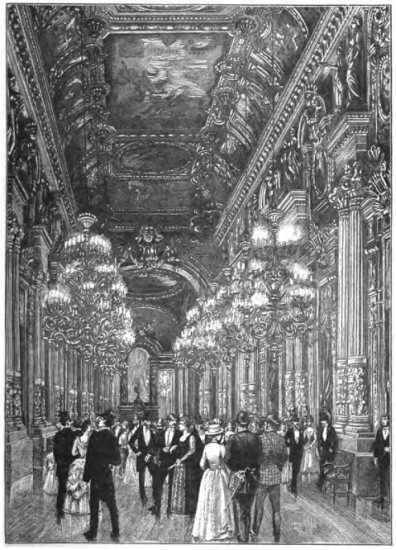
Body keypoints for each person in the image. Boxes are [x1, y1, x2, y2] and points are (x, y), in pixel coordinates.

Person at [192, 421, 234, 542]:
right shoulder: (221, 447)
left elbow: (201, 464)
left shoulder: (206, 447)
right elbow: (227, 461)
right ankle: (221, 528)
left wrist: (209, 468)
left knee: (208, 500)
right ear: (217, 436)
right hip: (220, 475)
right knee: (221, 500)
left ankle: (208, 529)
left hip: (209, 475)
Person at [83, 409, 121, 542]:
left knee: (99, 504)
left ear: (104, 420)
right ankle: (112, 531)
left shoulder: (100, 436)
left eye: (99, 418)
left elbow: (89, 458)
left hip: (99, 475)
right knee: (106, 504)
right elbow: (117, 459)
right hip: (102, 475)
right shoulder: (107, 436)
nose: (97, 420)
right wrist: (107, 462)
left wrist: (86, 477)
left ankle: (96, 532)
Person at [225, 411, 261, 543]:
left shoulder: (233, 438)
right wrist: (252, 469)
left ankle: (241, 536)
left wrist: (237, 470)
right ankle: (245, 535)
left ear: (237, 423)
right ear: (249, 423)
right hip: (252, 478)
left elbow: (227, 459)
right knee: (247, 508)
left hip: (237, 477)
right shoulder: (256, 438)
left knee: (238, 508)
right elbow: (260, 458)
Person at [251, 416, 288, 543]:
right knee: (276, 509)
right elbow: (285, 456)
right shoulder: (281, 440)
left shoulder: (260, 439)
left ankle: (255, 531)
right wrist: (279, 466)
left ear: (267, 424)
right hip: (276, 478)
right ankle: (277, 535)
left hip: (262, 478)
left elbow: (256, 458)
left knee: (259, 507)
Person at [168, 416, 203, 519]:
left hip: (189, 465)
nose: (179, 425)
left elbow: (192, 450)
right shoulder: (182, 435)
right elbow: (182, 446)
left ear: (187, 426)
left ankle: (190, 510)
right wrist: (176, 446)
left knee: (189, 487)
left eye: (181, 424)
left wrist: (181, 459)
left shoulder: (192, 436)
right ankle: (180, 508)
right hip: (180, 465)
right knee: (180, 485)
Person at [63, 419, 93, 535]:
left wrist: (80, 453)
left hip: (78, 463)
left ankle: (74, 507)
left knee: (75, 483)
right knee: (86, 484)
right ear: (87, 428)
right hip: (88, 463)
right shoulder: (91, 440)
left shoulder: (77, 439)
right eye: (90, 427)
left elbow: (73, 453)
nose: (91, 428)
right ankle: (85, 507)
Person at [150, 413, 181, 518]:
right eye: (172, 420)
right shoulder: (161, 433)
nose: (174, 423)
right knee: (158, 485)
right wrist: (161, 450)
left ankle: (169, 510)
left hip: (173, 462)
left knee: (172, 486)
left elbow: (183, 447)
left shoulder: (179, 434)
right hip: (162, 462)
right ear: (167, 422)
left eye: (175, 420)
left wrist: (176, 446)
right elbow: (155, 446)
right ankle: (157, 507)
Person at [128, 410, 156, 508]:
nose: (149, 423)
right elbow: (130, 441)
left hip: (150, 457)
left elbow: (156, 445)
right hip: (141, 458)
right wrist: (136, 451)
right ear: (144, 421)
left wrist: (151, 454)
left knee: (155, 477)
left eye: (150, 421)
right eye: (147, 421)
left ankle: (155, 497)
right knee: (141, 479)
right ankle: (143, 498)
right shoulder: (139, 430)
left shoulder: (153, 430)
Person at [53, 411, 77, 524]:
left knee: (61, 489)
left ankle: (60, 511)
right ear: (68, 422)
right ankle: (70, 509)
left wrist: (59, 462)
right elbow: (74, 453)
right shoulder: (72, 435)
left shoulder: (57, 436)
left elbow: (55, 454)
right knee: (72, 487)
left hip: (61, 466)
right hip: (70, 465)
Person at [317, 412, 338, 491]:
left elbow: (334, 440)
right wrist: (321, 446)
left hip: (329, 451)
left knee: (328, 467)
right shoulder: (321, 429)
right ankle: (321, 483)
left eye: (323, 421)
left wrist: (332, 448)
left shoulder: (331, 429)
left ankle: (323, 483)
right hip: (323, 451)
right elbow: (320, 439)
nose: (322, 422)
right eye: (321, 421)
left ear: (326, 421)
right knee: (321, 466)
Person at [373, 414, 390, 507]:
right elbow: (376, 445)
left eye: (386, 419)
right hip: (381, 458)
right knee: (382, 478)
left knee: (390, 478)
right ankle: (382, 497)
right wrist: (375, 458)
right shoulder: (379, 431)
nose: (384, 421)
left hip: (390, 458)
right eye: (383, 419)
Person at [285, 414, 304, 497]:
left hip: (299, 453)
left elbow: (302, 441)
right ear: (292, 423)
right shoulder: (290, 431)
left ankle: (293, 484)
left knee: (297, 470)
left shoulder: (301, 431)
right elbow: (285, 439)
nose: (297, 425)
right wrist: (289, 444)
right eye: (295, 423)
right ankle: (293, 487)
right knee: (293, 470)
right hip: (293, 453)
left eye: (298, 423)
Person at [301, 415, 320, 484]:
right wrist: (304, 445)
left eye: (310, 422)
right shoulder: (305, 430)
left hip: (311, 448)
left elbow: (315, 439)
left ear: (311, 422)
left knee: (311, 462)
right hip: (306, 447)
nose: (309, 423)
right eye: (307, 421)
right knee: (305, 462)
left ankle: (311, 479)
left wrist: (311, 445)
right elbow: (303, 439)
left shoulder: (313, 430)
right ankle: (305, 479)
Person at [124, 415, 140, 485]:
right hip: (133, 451)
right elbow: (129, 443)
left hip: (140, 451)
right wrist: (131, 451)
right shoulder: (131, 432)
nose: (135, 421)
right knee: (131, 465)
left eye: (137, 419)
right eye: (134, 420)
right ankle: (133, 479)